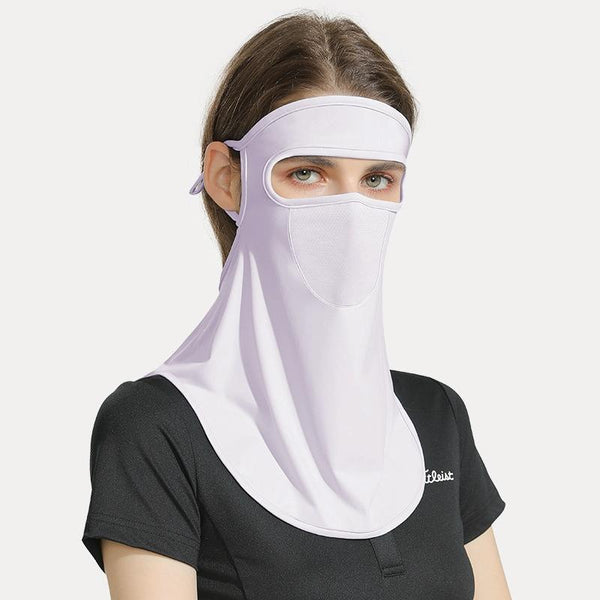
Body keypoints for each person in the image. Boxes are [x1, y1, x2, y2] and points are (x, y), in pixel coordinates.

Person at [81, 10, 511, 600]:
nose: (350, 212)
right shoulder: (158, 429)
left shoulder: (435, 416)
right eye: (307, 173)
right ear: (227, 178)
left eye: (377, 179)